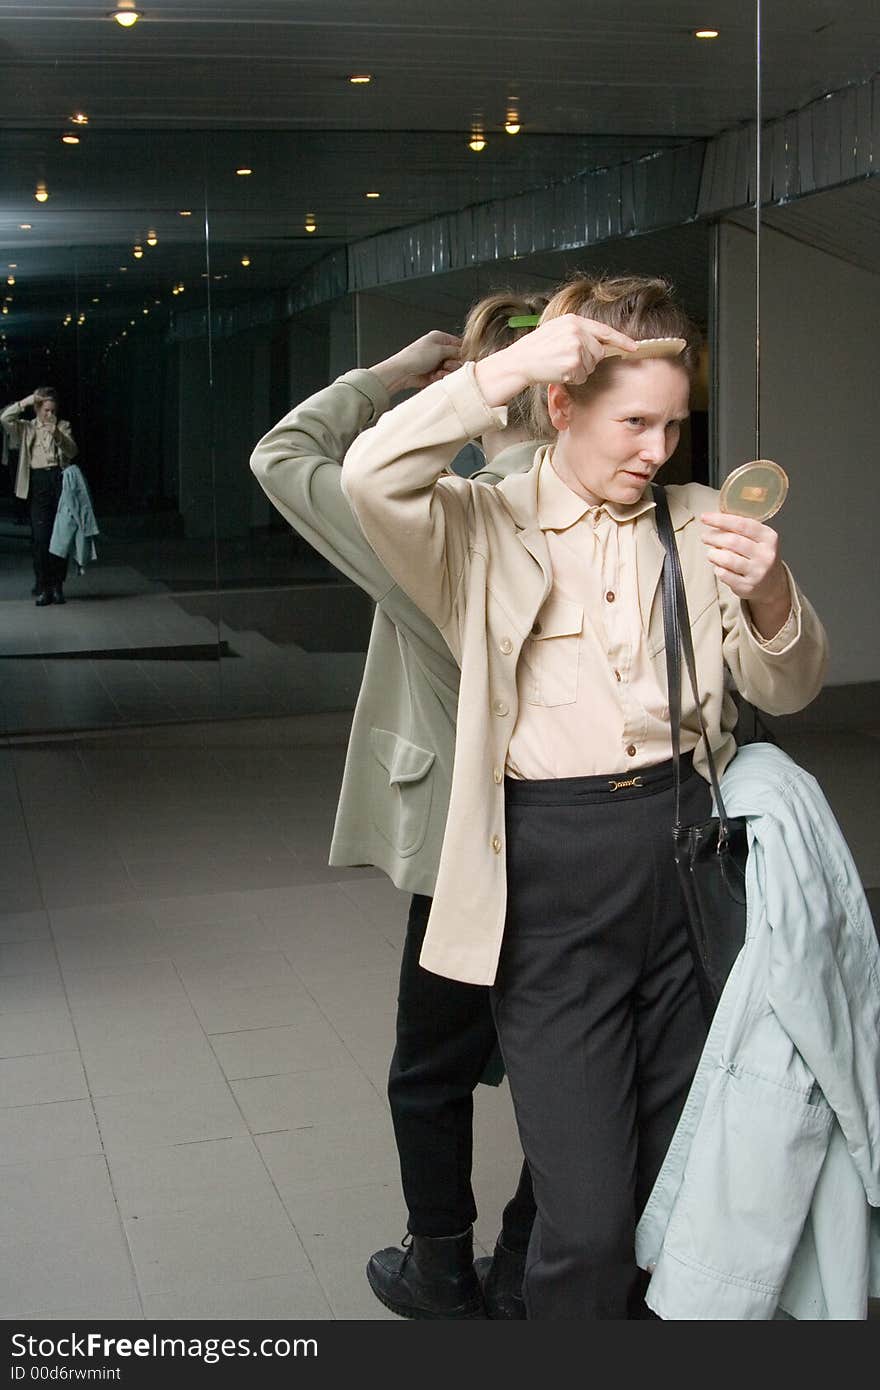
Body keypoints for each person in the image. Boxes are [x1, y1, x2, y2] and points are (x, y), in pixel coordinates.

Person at [341, 273, 829, 1319]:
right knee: (591, 1213)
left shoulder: (698, 525)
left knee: (664, 1178)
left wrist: (773, 594)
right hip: (551, 879)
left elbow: (787, 683)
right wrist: (507, 366)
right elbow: (368, 474)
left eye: (673, 425)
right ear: (562, 406)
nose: (656, 451)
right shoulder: (478, 525)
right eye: (633, 422)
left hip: (689, 862)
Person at [250, 292, 548, 1319]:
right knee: (574, 1055)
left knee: (429, 1066)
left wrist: (390, 373)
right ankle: (526, 1255)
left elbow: (283, 455)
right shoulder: (616, 513)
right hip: (591, 834)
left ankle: (439, 1265)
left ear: (485, 398)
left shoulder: (435, 518)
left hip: (467, 849)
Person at [1, 387, 78, 605]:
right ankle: (43, 586)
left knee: (60, 536)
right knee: (41, 538)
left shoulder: (63, 426)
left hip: (58, 480)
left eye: (53, 410)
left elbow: (72, 451)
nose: (49, 415)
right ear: (37, 409)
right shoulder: (26, 428)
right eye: (45, 410)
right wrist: (25, 401)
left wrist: (56, 432)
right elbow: (4, 418)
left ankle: (57, 586)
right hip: (37, 483)